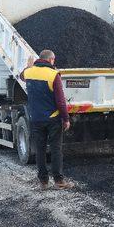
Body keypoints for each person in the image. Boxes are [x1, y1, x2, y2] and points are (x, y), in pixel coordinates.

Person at [20, 50, 74, 190]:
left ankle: (43, 182)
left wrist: (28, 66)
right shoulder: (53, 75)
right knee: (56, 149)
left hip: (36, 119)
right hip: (52, 118)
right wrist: (66, 118)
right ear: (50, 60)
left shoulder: (29, 72)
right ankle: (59, 181)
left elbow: (21, 76)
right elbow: (61, 101)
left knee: (40, 149)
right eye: (54, 60)